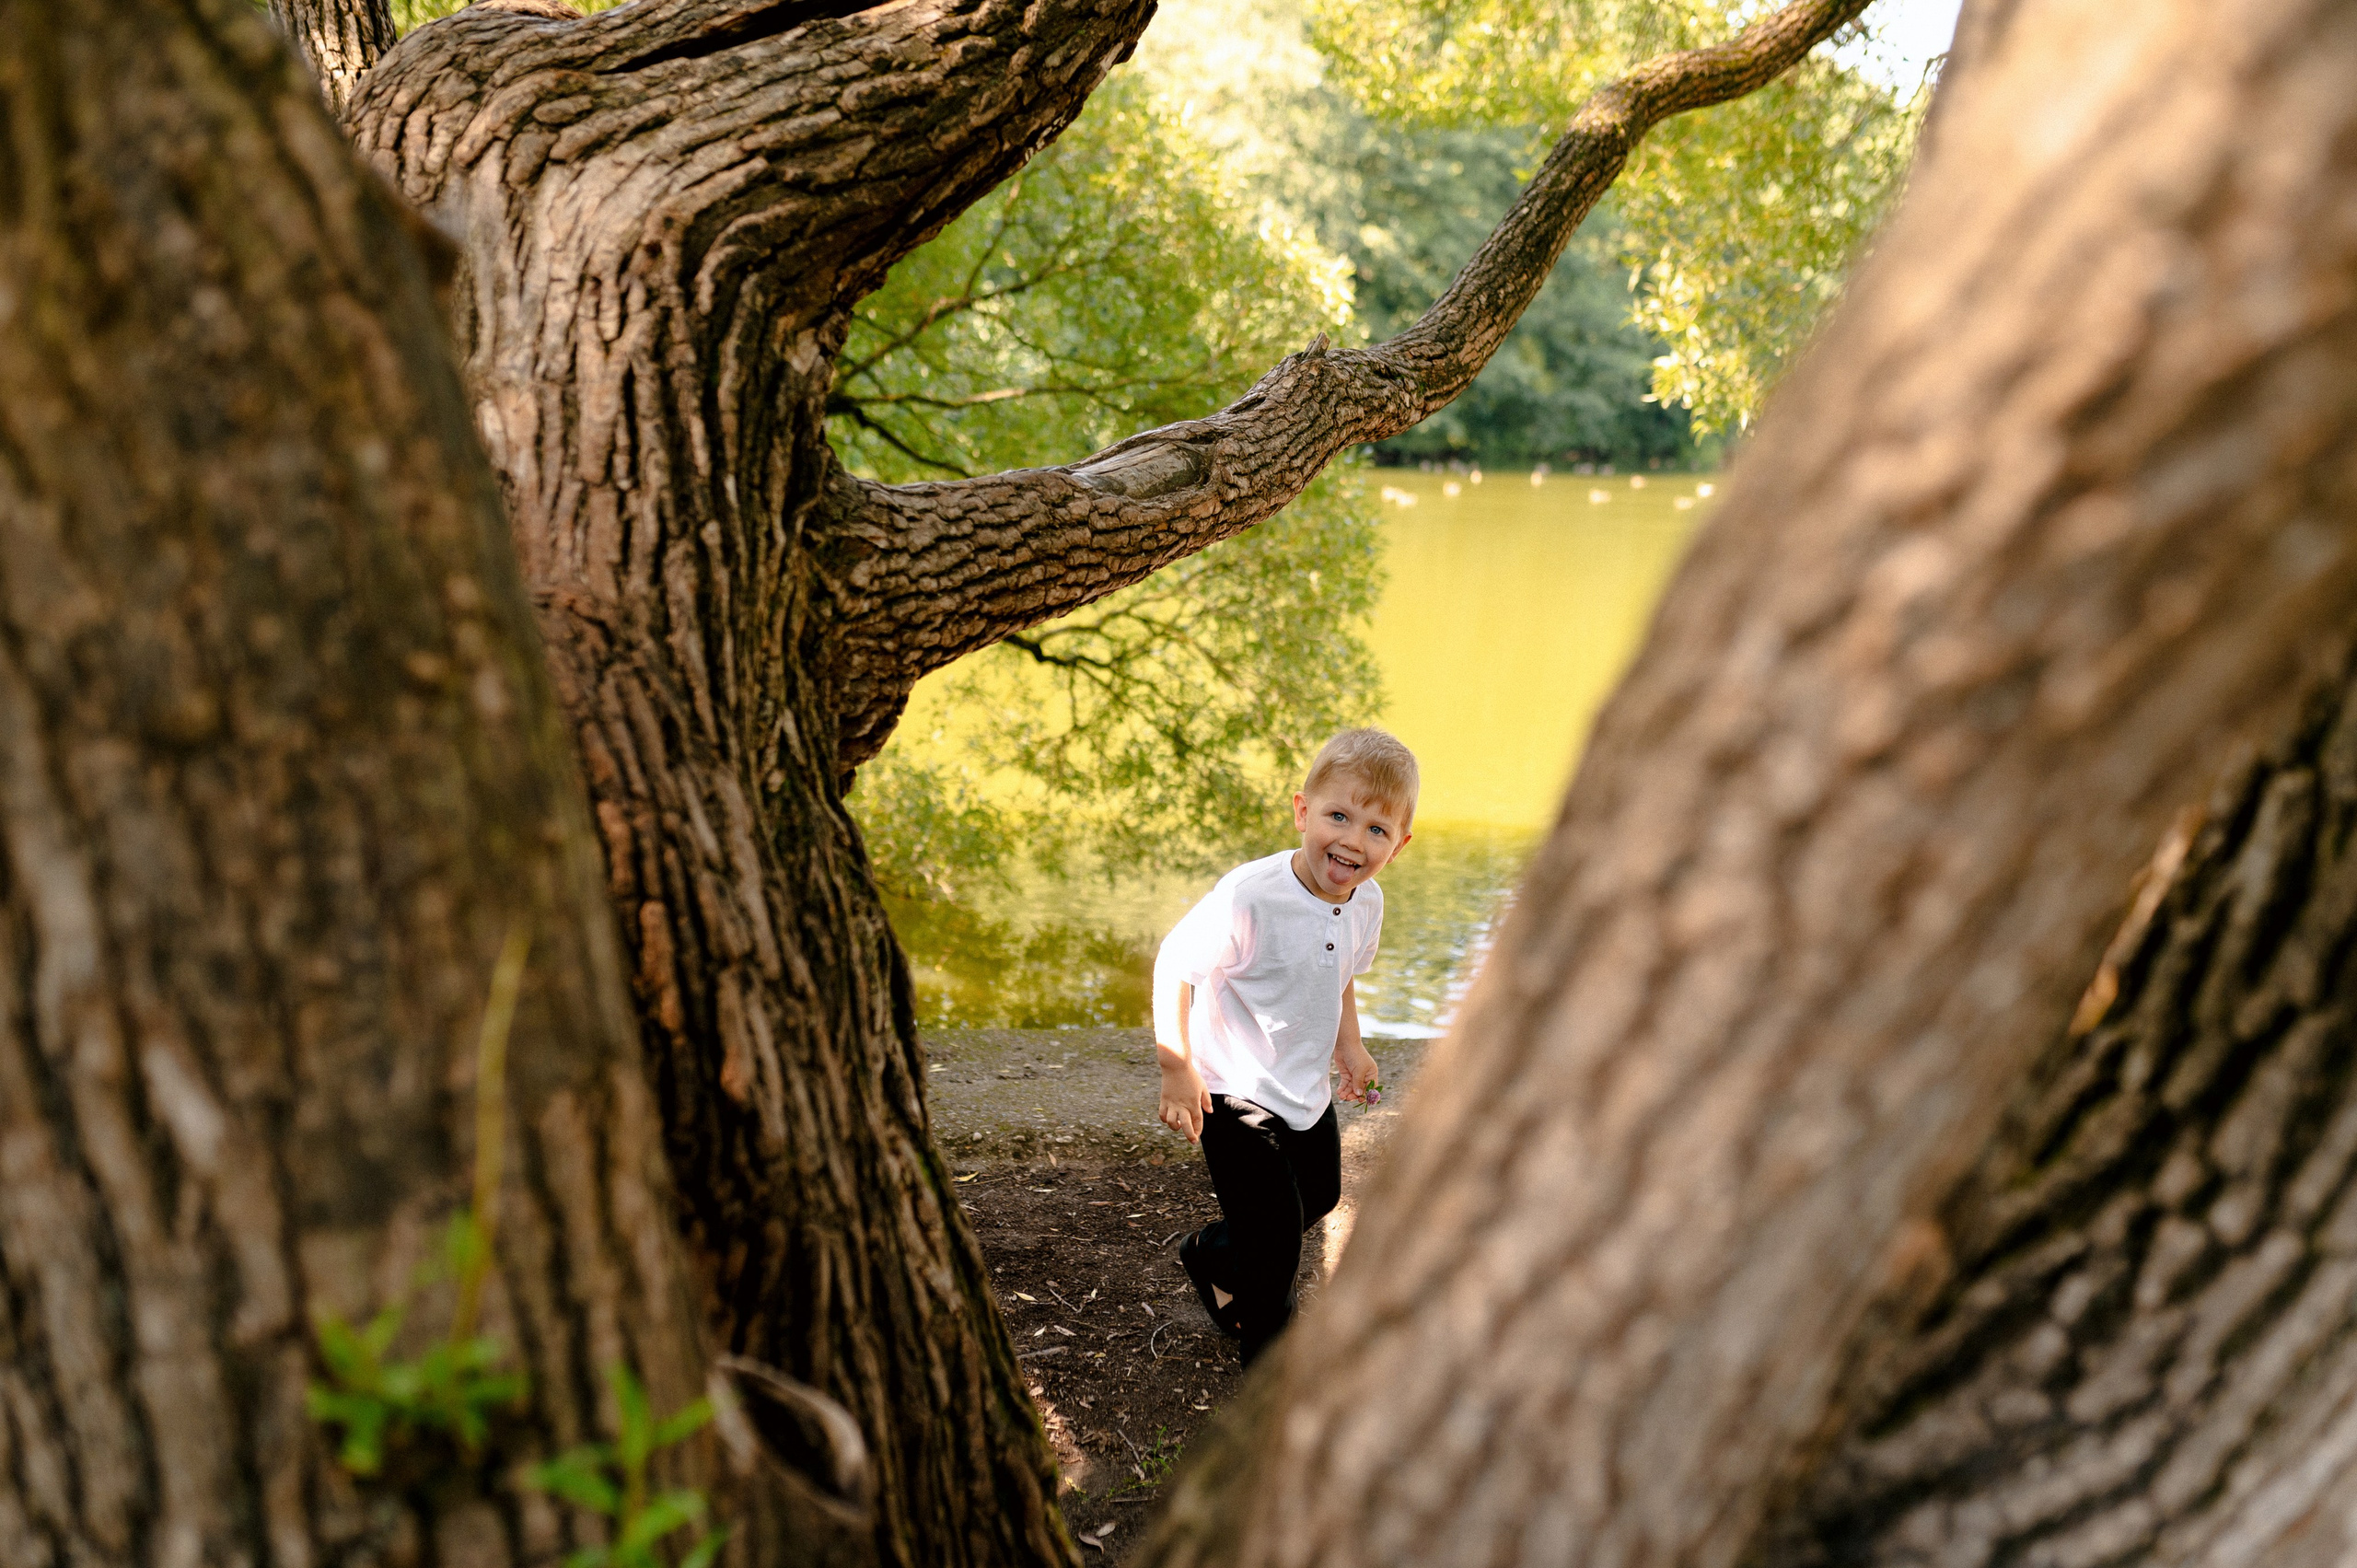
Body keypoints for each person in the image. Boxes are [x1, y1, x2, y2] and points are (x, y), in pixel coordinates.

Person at [1153, 727, 1417, 1365]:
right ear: (1303, 810)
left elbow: (1343, 971)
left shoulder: (1367, 902)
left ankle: (1210, 1252)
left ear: (1399, 845)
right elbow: (1174, 966)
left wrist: (1349, 1046)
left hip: (1300, 1085)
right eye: (1339, 815)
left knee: (1319, 1195)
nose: (1354, 840)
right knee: (1276, 1260)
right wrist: (1177, 1067)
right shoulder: (1251, 897)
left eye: (1377, 830)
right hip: (1230, 1085)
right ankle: (1268, 1379)